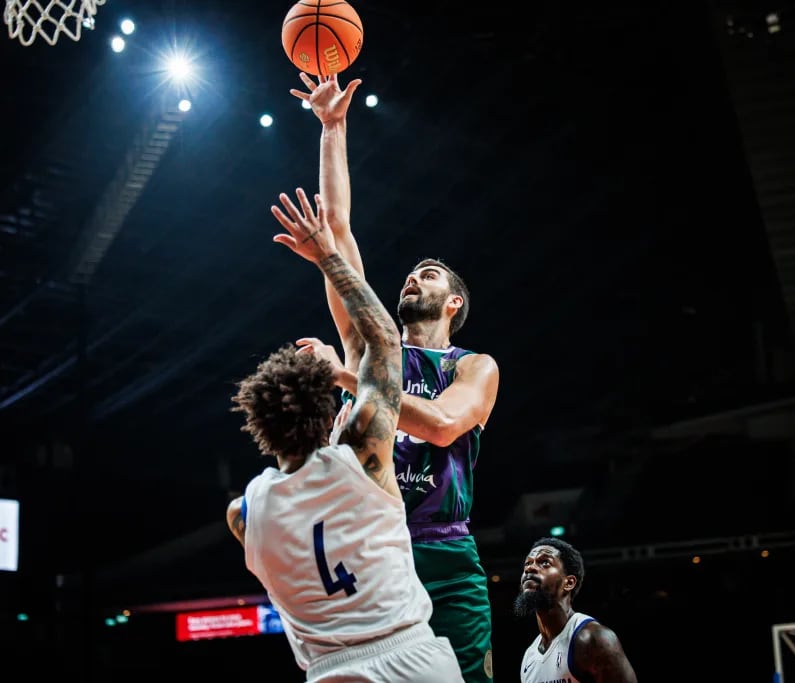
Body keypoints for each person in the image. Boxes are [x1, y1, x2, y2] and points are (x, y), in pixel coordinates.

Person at [288, 71, 501, 682]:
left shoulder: (473, 365)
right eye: (411, 273)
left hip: (445, 546)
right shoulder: (368, 346)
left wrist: (346, 378)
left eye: (429, 274)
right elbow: (339, 231)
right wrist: (332, 126)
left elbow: (438, 427)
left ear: (453, 303)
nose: (414, 277)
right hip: (376, 543)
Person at [225, 187, 463, 683]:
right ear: (327, 403)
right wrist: (328, 254)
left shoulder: (244, 512)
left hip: (330, 670)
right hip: (409, 653)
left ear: (259, 424)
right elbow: (381, 341)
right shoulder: (364, 457)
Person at [515, 537, 638, 683]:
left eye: (544, 563)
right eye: (527, 563)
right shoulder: (529, 657)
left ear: (568, 582)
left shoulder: (593, 639)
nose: (529, 568)